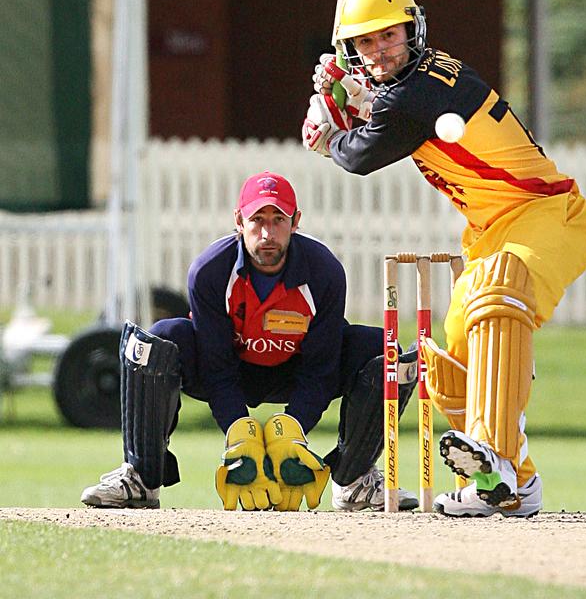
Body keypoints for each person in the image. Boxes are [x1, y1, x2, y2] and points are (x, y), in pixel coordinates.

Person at [301, 0, 586, 517]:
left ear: (412, 30)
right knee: (452, 357)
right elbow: (387, 116)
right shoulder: (412, 88)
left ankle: (496, 457)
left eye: (388, 36)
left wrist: (329, 132)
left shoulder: (418, 93)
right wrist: (352, 101)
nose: (380, 50)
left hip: (549, 214)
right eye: (365, 44)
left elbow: (361, 156)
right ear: (352, 51)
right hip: (491, 232)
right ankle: (507, 486)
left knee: (498, 284)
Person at [81, 170, 419, 512]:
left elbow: (321, 368)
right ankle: (141, 477)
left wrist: (293, 429)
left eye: (278, 219)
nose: (268, 233)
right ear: (239, 221)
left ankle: (354, 480)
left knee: (381, 347)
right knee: (158, 339)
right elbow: (217, 367)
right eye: (257, 220)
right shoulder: (210, 271)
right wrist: (240, 434)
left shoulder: (324, 271)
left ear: (296, 221)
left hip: (296, 367)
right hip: (232, 367)